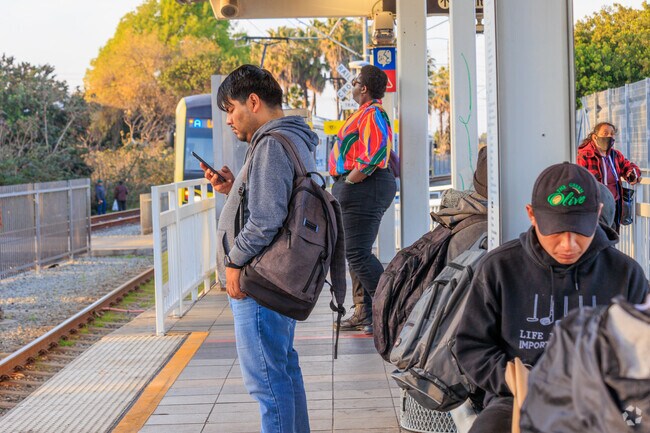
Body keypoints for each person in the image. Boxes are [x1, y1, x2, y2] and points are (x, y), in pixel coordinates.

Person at [455, 162, 648, 433]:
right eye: (556, 232)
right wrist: (514, 378)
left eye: (580, 230)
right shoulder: (499, 268)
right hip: (516, 399)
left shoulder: (626, 274)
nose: (568, 244)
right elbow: (472, 346)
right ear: (532, 216)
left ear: (598, 214)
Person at [201, 65, 316, 433]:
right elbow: (271, 202)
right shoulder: (293, 137)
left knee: (266, 383)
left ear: (253, 102)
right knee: (282, 369)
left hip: (260, 280)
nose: (230, 121)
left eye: (232, 110)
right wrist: (234, 188)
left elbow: (266, 218)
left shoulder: (269, 143)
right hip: (281, 274)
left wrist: (234, 262)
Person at [328, 64, 397, 335]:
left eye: (355, 82)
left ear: (364, 88)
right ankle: (364, 312)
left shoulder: (372, 113)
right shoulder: (364, 113)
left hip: (366, 185)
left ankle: (391, 309)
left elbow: (376, 150)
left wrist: (350, 180)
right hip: (363, 185)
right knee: (357, 252)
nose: (353, 86)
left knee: (356, 252)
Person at [577, 121, 641, 232]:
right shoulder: (584, 156)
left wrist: (633, 174)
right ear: (595, 137)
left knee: (612, 237)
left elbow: (629, 166)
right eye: (605, 133)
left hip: (614, 205)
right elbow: (579, 181)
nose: (609, 136)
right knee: (598, 239)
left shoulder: (615, 155)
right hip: (596, 206)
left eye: (612, 134)